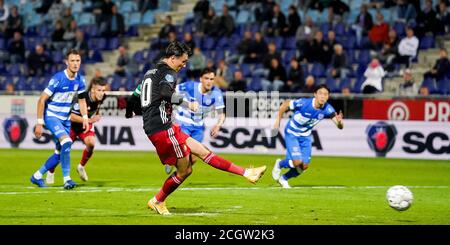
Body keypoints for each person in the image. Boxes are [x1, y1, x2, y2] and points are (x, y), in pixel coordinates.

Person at [126, 41, 266, 215]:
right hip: (162, 129)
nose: (184, 66)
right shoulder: (169, 73)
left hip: (166, 127)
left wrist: (129, 110)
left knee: (203, 151)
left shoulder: (150, 72)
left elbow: (136, 93)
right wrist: (187, 103)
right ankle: (158, 201)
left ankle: (247, 173)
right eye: (182, 61)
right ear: (172, 58)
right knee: (185, 170)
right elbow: (164, 93)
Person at [30, 49, 89, 189]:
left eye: (78, 61)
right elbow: (41, 100)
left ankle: (37, 176)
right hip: (52, 116)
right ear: (66, 62)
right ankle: (67, 179)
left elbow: (82, 101)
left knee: (59, 152)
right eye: (72, 61)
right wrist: (39, 123)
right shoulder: (58, 78)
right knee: (67, 142)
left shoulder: (80, 80)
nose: (75, 64)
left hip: (65, 119)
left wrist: (85, 118)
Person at [271, 84, 344, 188]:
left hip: (306, 137)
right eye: (320, 93)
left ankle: (284, 178)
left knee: (303, 167)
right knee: (297, 163)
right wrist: (278, 120)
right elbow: (285, 104)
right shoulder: (304, 103)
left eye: (326, 94)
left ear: (328, 96)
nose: (323, 96)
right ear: (315, 94)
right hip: (292, 133)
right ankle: (280, 164)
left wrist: (340, 122)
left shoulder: (328, 109)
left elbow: (339, 126)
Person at [45, 77, 108, 184]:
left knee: (91, 143)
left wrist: (96, 114)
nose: (102, 93)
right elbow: (72, 117)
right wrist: (90, 119)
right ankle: (51, 171)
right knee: (62, 151)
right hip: (71, 126)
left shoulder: (102, 97)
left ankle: (81, 166)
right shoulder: (82, 98)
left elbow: (96, 107)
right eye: (99, 90)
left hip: (85, 126)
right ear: (93, 89)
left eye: (103, 90)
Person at [163, 67, 225, 173]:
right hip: (183, 122)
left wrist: (218, 125)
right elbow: (170, 92)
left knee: (195, 157)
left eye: (212, 79)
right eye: (207, 78)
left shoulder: (216, 93)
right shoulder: (190, 86)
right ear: (201, 79)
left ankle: (178, 169)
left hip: (199, 126)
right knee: (184, 149)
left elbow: (221, 114)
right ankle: (173, 161)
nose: (209, 82)